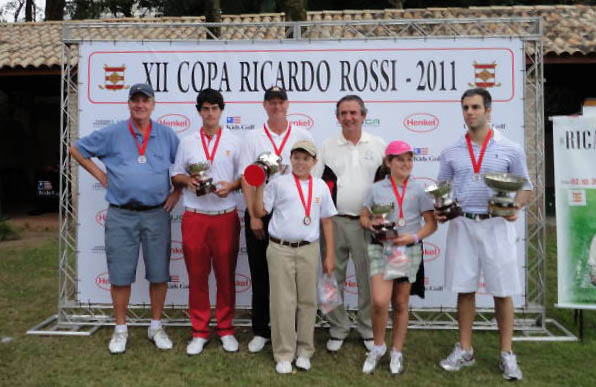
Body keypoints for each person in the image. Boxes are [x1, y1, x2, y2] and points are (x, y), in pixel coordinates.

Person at [69, 83, 180, 354]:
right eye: (135, 100)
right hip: (121, 214)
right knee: (120, 275)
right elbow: (77, 149)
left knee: (159, 273)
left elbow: (181, 168)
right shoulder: (114, 133)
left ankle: (155, 326)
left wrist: (177, 192)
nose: (140, 105)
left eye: (145, 100)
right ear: (129, 104)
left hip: (157, 213)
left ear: (153, 104)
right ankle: (121, 330)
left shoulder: (167, 135)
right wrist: (101, 176)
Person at [436, 88, 532, 381]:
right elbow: (442, 189)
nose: (470, 112)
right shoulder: (451, 151)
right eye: (465, 107)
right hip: (463, 223)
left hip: (497, 224)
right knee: (465, 289)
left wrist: (515, 205)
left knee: (502, 291)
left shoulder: (511, 148)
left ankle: (507, 354)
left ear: (488, 111)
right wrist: (441, 208)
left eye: (476, 107)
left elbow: (526, 188)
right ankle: (465, 348)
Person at [239, 86, 315, 353]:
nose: (276, 106)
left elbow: (311, 176)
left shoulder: (302, 135)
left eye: (280, 102)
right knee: (260, 273)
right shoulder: (252, 137)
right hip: (261, 209)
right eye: (271, 102)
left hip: (292, 212)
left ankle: (292, 330)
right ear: (264, 106)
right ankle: (261, 329)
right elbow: (248, 178)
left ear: (287, 104)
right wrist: (253, 215)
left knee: (292, 279)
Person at [253, 140, 337, 374]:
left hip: (309, 249)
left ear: (314, 162)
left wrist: (329, 254)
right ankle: (283, 353)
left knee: (308, 302)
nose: (301, 162)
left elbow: (327, 221)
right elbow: (261, 211)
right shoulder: (278, 183)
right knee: (282, 302)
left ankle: (304, 351)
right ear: (291, 159)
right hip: (280, 249)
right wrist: (260, 183)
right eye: (296, 157)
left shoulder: (320, 186)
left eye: (306, 158)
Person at [171, 88, 242, 355]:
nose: (210, 113)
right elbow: (176, 173)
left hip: (225, 215)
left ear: (221, 111)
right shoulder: (188, 142)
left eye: (214, 108)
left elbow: (245, 176)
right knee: (197, 276)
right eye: (205, 108)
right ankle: (199, 331)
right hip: (195, 216)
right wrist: (188, 180)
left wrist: (232, 186)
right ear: (199, 111)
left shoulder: (235, 141)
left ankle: (225, 329)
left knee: (225, 276)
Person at [314, 95, 386, 352]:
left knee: (369, 280)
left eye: (354, 113)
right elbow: (316, 185)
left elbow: (387, 186)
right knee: (331, 278)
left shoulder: (378, 145)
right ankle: (338, 327)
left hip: (367, 224)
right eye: (343, 113)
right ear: (337, 117)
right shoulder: (327, 146)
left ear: (363, 115)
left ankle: (367, 328)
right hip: (333, 223)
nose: (349, 117)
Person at [359, 140, 437, 374]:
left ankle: (396, 352)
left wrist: (413, 237)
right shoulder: (376, 189)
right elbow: (363, 217)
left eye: (409, 159)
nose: (406, 163)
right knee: (380, 302)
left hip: (408, 250)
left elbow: (431, 224)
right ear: (389, 162)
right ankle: (378, 346)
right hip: (382, 249)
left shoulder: (419, 190)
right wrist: (372, 223)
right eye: (400, 159)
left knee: (401, 303)